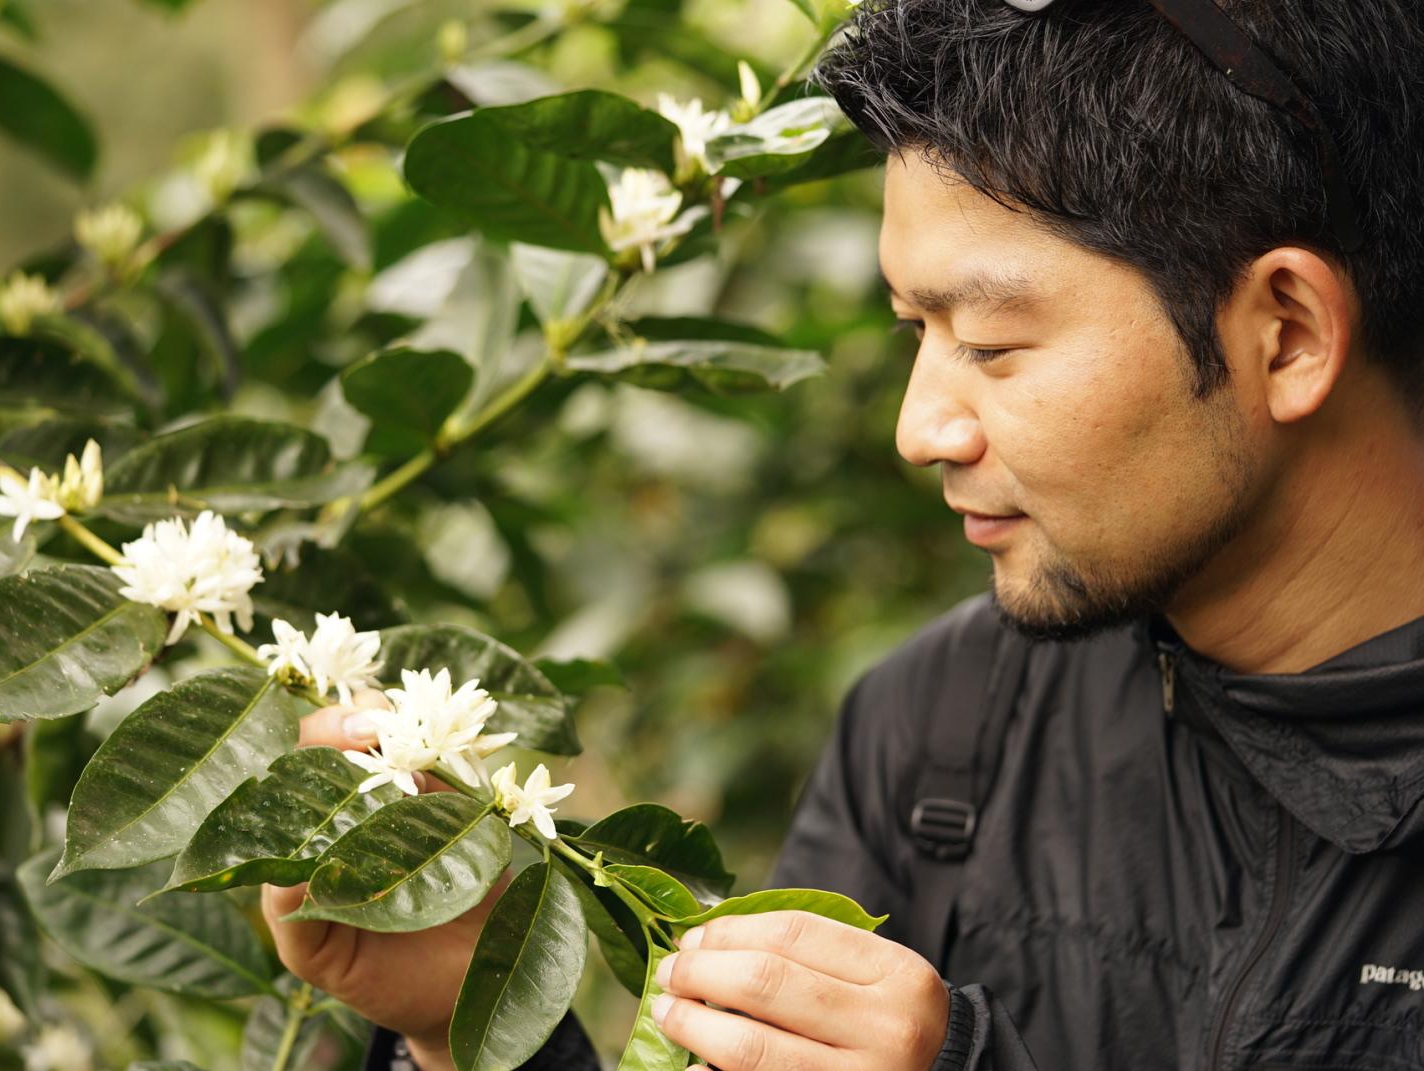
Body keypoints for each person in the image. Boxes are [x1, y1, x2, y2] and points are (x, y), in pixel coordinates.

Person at [263, 0, 1424, 1066]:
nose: (922, 430)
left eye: (992, 343)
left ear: (1284, 334)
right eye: (913, 330)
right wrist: (465, 1023)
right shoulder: (939, 730)